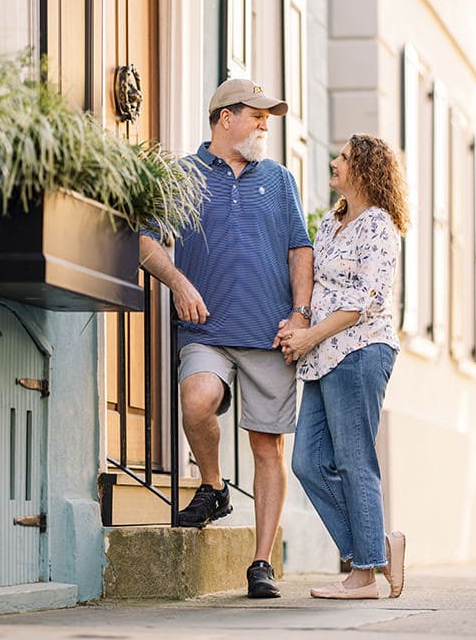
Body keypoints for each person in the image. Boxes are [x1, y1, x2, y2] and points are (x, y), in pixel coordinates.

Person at [138, 77, 314, 600]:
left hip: (270, 333)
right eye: (256, 116)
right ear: (224, 118)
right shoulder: (184, 175)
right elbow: (145, 240)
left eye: (267, 118)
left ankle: (261, 562)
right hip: (207, 328)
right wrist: (178, 283)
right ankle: (213, 486)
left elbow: (299, 250)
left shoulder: (279, 179)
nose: (264, 125)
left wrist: (300, 314)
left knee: (266, 447)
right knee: (197, 399)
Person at [278, 134, 409, 600]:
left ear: (365, 170)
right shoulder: (331, 223)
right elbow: (318, 288)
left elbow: (364, 300)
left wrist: (310, 335)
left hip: (360, 351)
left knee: (355, 460)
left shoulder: (379, 227)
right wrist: (297, 326)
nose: (334, 161)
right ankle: (377, 548)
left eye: (344, 157)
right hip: (321, 355)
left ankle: (364, 575)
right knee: (308, 462)